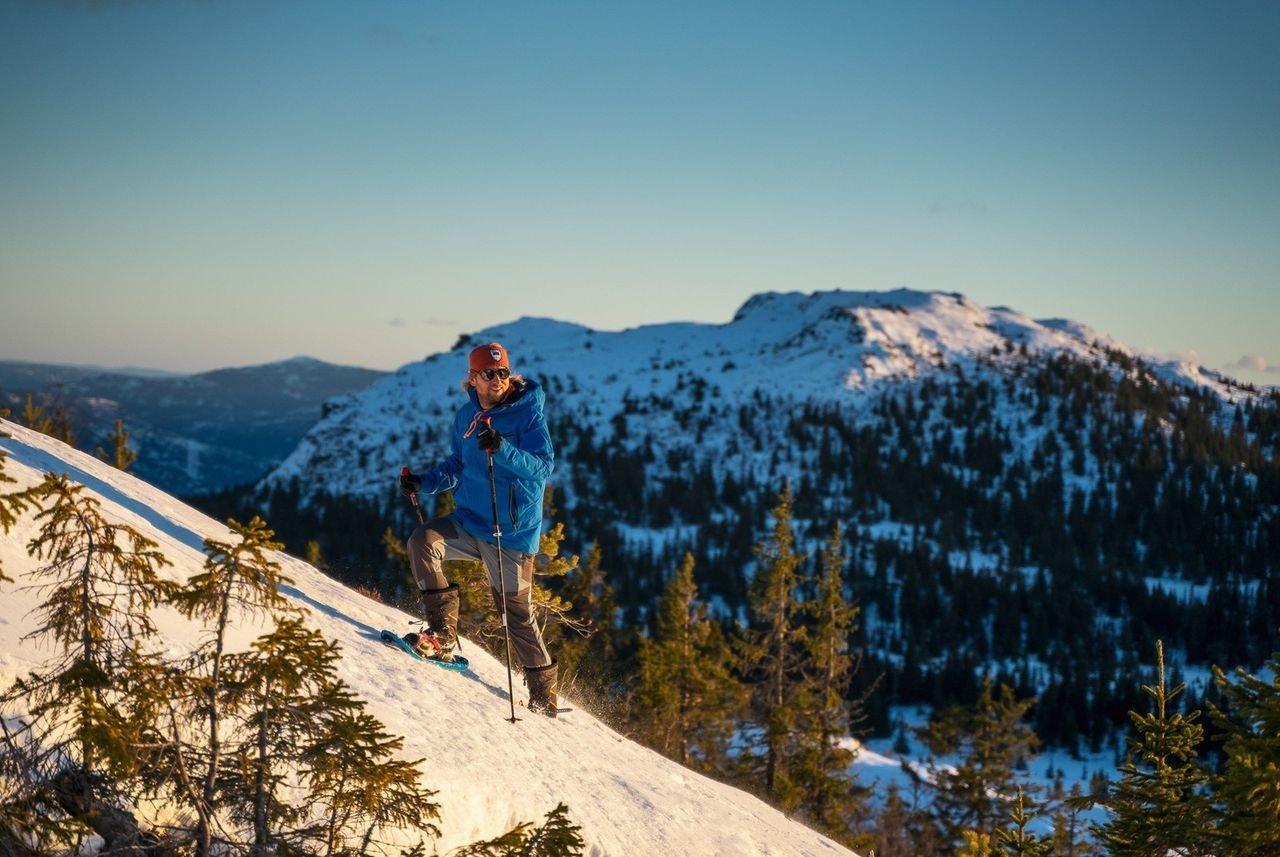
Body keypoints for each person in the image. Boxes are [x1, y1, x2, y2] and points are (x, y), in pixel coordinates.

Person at [399, 342, 559, 716]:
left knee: (516, 615)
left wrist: (502, 448)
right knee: (423, 541)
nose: (498, 379)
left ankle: (543, 695)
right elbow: (458, 463)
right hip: (470, 522)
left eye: (503, 372)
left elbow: (542, 467)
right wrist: (423, 482)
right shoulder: (465, 415)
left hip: (511, 534)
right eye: (490, 373)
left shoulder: (528, 416)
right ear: (473, 377)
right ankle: (441, 636)